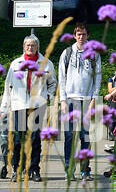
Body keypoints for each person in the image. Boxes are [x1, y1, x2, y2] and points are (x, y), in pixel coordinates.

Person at [1, 35, 56, 181]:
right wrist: (4, 108)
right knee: (18, 140)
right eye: (27, 45)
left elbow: (53, 83)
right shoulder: (15, 64)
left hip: (37, 106)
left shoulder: (46, 63)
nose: (30, 48)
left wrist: (47, 97)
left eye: (33, 45)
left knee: (35, 139)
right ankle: (17, 170)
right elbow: (8, 87)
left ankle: (34, 170)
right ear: (24, 47)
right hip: (19, 105)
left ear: (37, 47)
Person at [59, 22, 101, 180]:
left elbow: (98, 78)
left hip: (86, 101)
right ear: (74, 36)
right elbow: (61, 78)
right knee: (69, 136)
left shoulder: (94, 54)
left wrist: (94, 100)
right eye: (78, 34)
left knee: (85, 136)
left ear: (88, 35)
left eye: (83, 34)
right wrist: (62, 100)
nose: (81, 37)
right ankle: (69, 170)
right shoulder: (67, 53)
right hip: (70, 99)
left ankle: (85, 170)